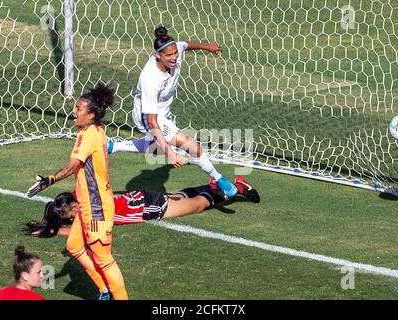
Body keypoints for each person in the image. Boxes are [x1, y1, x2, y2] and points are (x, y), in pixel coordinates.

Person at [108, 26, 239, 198]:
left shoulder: (175, 50)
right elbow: (152, 121)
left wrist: (208, 47)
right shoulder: (150, 79)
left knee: (156, 146)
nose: (174, 57)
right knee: (193, 147)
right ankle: (219, 179)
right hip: (147, 117)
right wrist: (170, 154)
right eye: (169, 55)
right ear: (158, 56)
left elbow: (185, 45)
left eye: (175, 53)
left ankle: (113, 146)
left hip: (162, 113)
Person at [26, 83, 128, 300]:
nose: (73, 112)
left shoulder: (87, 135)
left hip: (96, 207)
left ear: (90, 115)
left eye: (79, 109)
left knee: (104, 259)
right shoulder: (96, 130)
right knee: (74, 246)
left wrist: (50, 180)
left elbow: (73, 166)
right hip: (87, 203)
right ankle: (104, 290)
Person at [26, 176, 260, 238]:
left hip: (148, 207)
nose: (73, 217)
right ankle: (211, 185)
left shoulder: (91, 214)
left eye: (71, 213)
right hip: (139, 197)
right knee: (179, 196)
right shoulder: (83, 196)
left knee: (197, 206)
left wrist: (53, 230)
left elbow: (84, 232)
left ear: (75, 205)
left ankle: (238, 188)